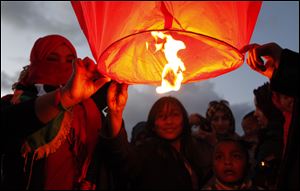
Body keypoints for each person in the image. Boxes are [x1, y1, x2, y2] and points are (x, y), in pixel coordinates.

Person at [1, 34, 111, 190]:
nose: (61, 66)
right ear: (36, 64)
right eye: (52, 59)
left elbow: (112, 158)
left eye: (70, 61)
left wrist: (115, 112)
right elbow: (8, 126)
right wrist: (64, 97)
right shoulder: (12, 103)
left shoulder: (89, 109)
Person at [99, 94, 213, 189]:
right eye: (161, 116)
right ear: (153, 125)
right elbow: (122, 157)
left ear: (184, 120)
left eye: (175, 114)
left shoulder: (192, 153)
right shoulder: (146, 152)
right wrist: (115, 114)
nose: (168, 121)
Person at [241, 42, 299, 189]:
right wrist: (281, 72)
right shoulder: (282, 130)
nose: (255, 113)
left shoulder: (274, 139)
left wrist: (286, 65)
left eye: (258, 107)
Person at [252, 82, 284, 189]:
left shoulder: (275, 141)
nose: (255, 114)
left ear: (270, 108)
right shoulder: (269, 137)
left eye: (258, 108)